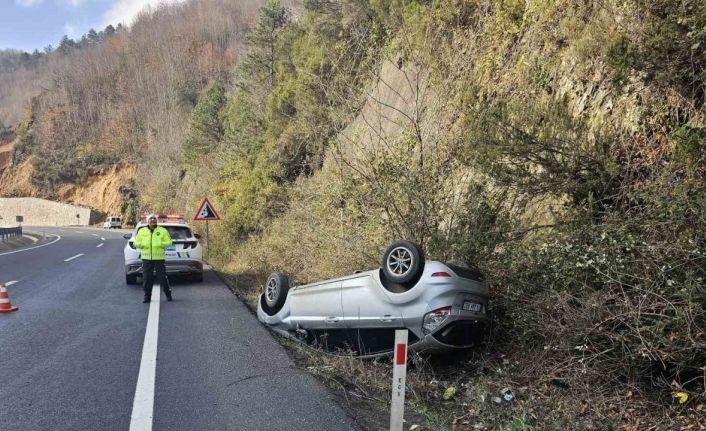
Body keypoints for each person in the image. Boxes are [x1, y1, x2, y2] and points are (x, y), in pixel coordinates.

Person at [134, 214, 173, 303]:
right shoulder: (142, 231)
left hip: (159, 258)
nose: (153, 220)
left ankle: (168, 294)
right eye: (151, 219)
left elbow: (169, 242)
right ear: (148, 221)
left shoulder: (162, 231)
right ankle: (147, 297)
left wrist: (160, 244)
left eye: (154, 219)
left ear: (157, 221)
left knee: (162, 278)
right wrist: (142, 245)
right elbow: (136, 242)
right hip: (146, 258)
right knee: (147, 278)